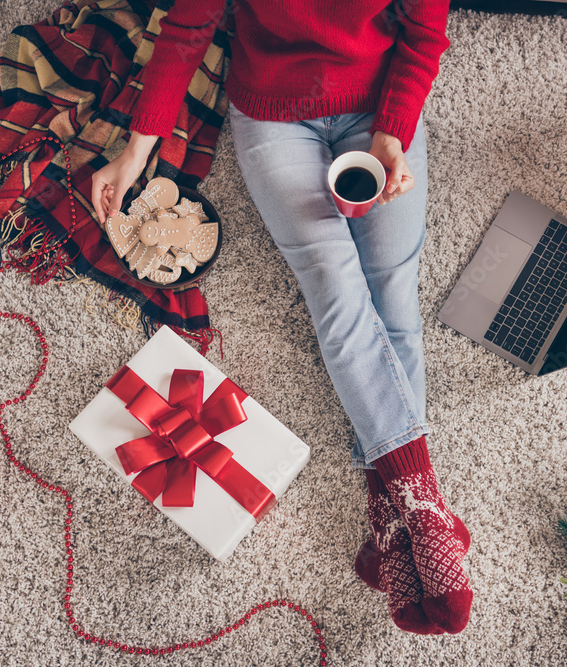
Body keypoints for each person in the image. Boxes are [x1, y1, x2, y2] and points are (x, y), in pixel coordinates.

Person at [91, 0, 471, 635]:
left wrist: (393, 135)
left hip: (376, 110)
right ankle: (424, 506)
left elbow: (425, 36)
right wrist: (136, 151)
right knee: (333, 283)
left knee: (394, 292)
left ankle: (392, 510)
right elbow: (186, 32)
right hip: (273, 114)